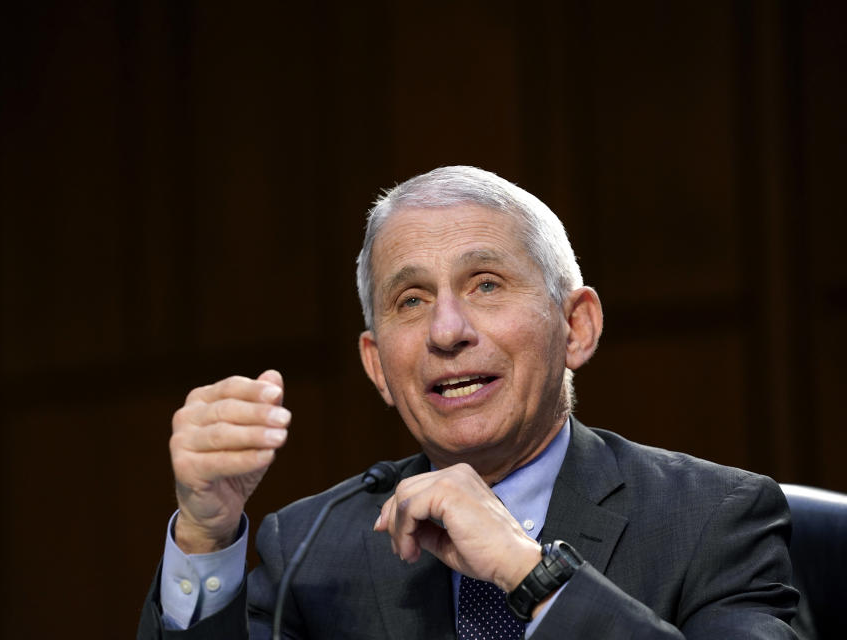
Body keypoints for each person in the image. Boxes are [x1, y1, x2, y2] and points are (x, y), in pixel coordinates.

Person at [137, 166, 799, 639]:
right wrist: (205, 535)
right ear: (377, 366)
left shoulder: (715, 519)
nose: (447, 331)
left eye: (486, 285)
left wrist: (528, 572)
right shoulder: (311, 551)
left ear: (577, 327)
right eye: (412, 301)